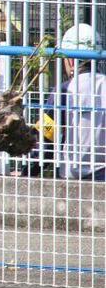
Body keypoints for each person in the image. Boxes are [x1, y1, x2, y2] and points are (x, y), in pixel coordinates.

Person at [19, 24, 106, 181]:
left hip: (73, 178)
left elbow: (45, 140)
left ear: (71, 61)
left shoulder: (65, 91)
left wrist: (26, 174)